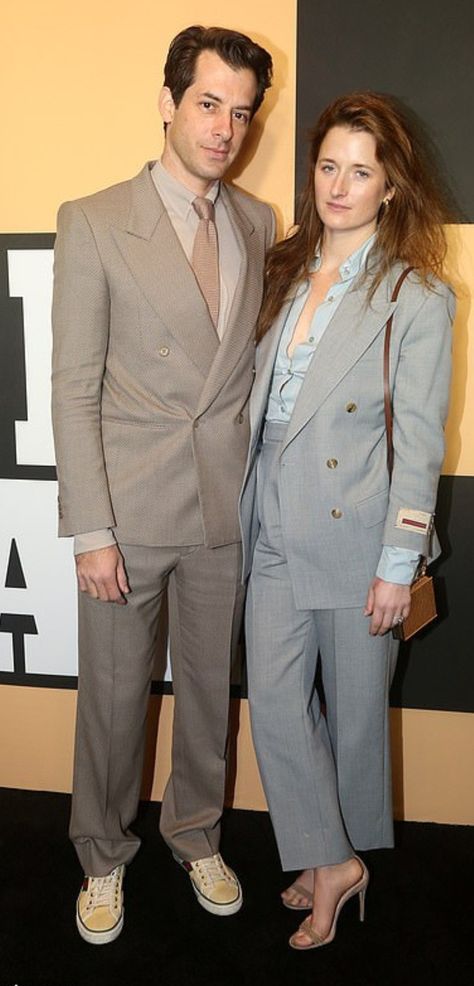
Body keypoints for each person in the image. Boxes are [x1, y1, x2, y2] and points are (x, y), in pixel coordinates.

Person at [51, 25, 274, 944]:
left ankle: (195, 834)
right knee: (111, 699)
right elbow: (70, 385)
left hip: (222, 507)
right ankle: (103, 856)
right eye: (209, 104)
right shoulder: (95, 218)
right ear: (170, 103)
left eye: (243, 111)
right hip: (130, 513)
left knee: (210, 698)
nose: (225, 128)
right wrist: (91, 528)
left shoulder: (260, 224)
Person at [239, 91, 454, 950]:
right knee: (279, 705)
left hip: (357, 530)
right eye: (328, 166)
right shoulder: (284, 268)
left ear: (390, 188)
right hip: (271, 520)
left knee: (356, 716)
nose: (339, 185)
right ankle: (330, 856)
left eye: (360, 171)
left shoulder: (417, 297)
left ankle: (335, 862)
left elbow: (422, 441)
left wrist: (398, 563)